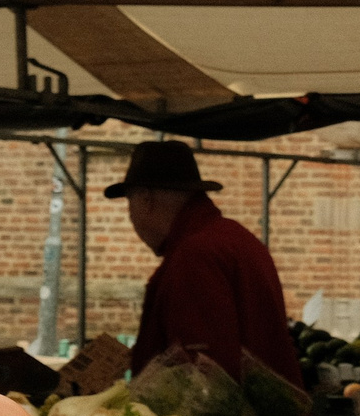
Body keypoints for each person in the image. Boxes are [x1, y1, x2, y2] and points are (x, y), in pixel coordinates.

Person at [113, 139, 308, 394]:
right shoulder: (233, 237)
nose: (132, 219)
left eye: (130, 206)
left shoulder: (195, 255)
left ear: (145, 200)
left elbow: (204, 376)